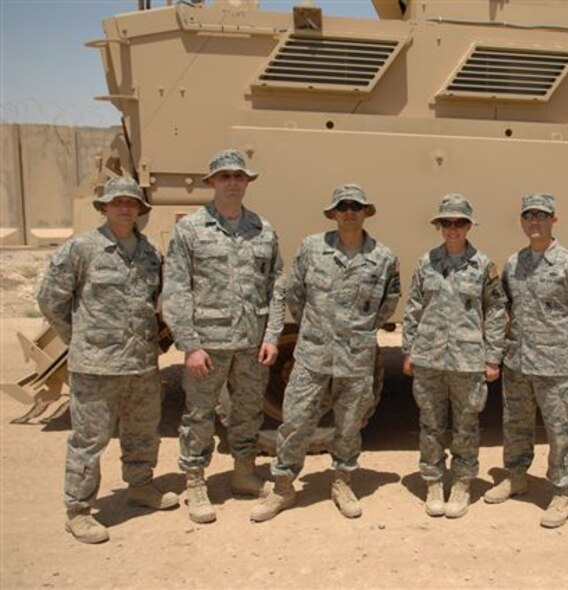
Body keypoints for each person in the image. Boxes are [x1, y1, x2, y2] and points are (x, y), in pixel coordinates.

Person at [37, 177, 179, 544]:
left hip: (142, 363)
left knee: (143, 430)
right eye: (117, 202)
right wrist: (79, 339)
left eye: (131, 203)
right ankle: (80, 510)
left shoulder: (149, 252)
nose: (125, 208)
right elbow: (50, 298)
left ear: (139, 210)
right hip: (95, 366)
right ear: (103, 207)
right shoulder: (82, 249)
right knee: (89, 439)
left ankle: (140, 487)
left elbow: (158, 303)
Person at [250, 184, 400, 522]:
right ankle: (283, 486)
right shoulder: (312, 248)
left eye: (356, 206)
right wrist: (318, 329)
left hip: (356, 357)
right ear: (333, 213)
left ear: (366, 212)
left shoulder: (383, 257)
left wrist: (357, 331)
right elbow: (295, 294)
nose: (349, 211)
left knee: (348, 425)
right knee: (296, 421)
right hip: (312, 355)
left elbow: (387, 304)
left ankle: (342, 482)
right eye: (343, 206)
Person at [162, 149, 285, 524]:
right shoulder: (191, 229)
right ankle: (196, 482)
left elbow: (275, 284)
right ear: (212, 182)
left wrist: (273, 334)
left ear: (246, 182)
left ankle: (244, 473)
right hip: (208, 345)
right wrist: (190, 344)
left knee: (247, 412)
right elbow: (177, 288)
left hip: (251, 343)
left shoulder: (262, 228)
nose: (233, 182)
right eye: (225, 176)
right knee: (199, 414)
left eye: (239, 177)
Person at [482, 193, 568, 528]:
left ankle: (563, 492)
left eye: (541, 216)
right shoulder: (514, 264)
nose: (534, 222)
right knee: (515, 424)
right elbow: (504, 307)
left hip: (555, 365)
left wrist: (562, 344)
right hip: (517, 361)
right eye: (528, 216)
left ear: (554, 220)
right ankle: (516, 475)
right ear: (522, 222)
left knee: (562, 429)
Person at [401, 194, 506, 518]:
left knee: (466, 426)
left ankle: (462, 483)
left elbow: (497, 311)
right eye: (447, 222)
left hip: (467, 361)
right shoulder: (426, 262)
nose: (453, 228)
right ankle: (433, 482)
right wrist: (409, 349)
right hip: (430, 358)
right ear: (439, 227)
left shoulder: (484, 266)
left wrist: (492, 357)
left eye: (459, 222)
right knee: (430, 424)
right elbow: (413, 308)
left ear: (469, 226)